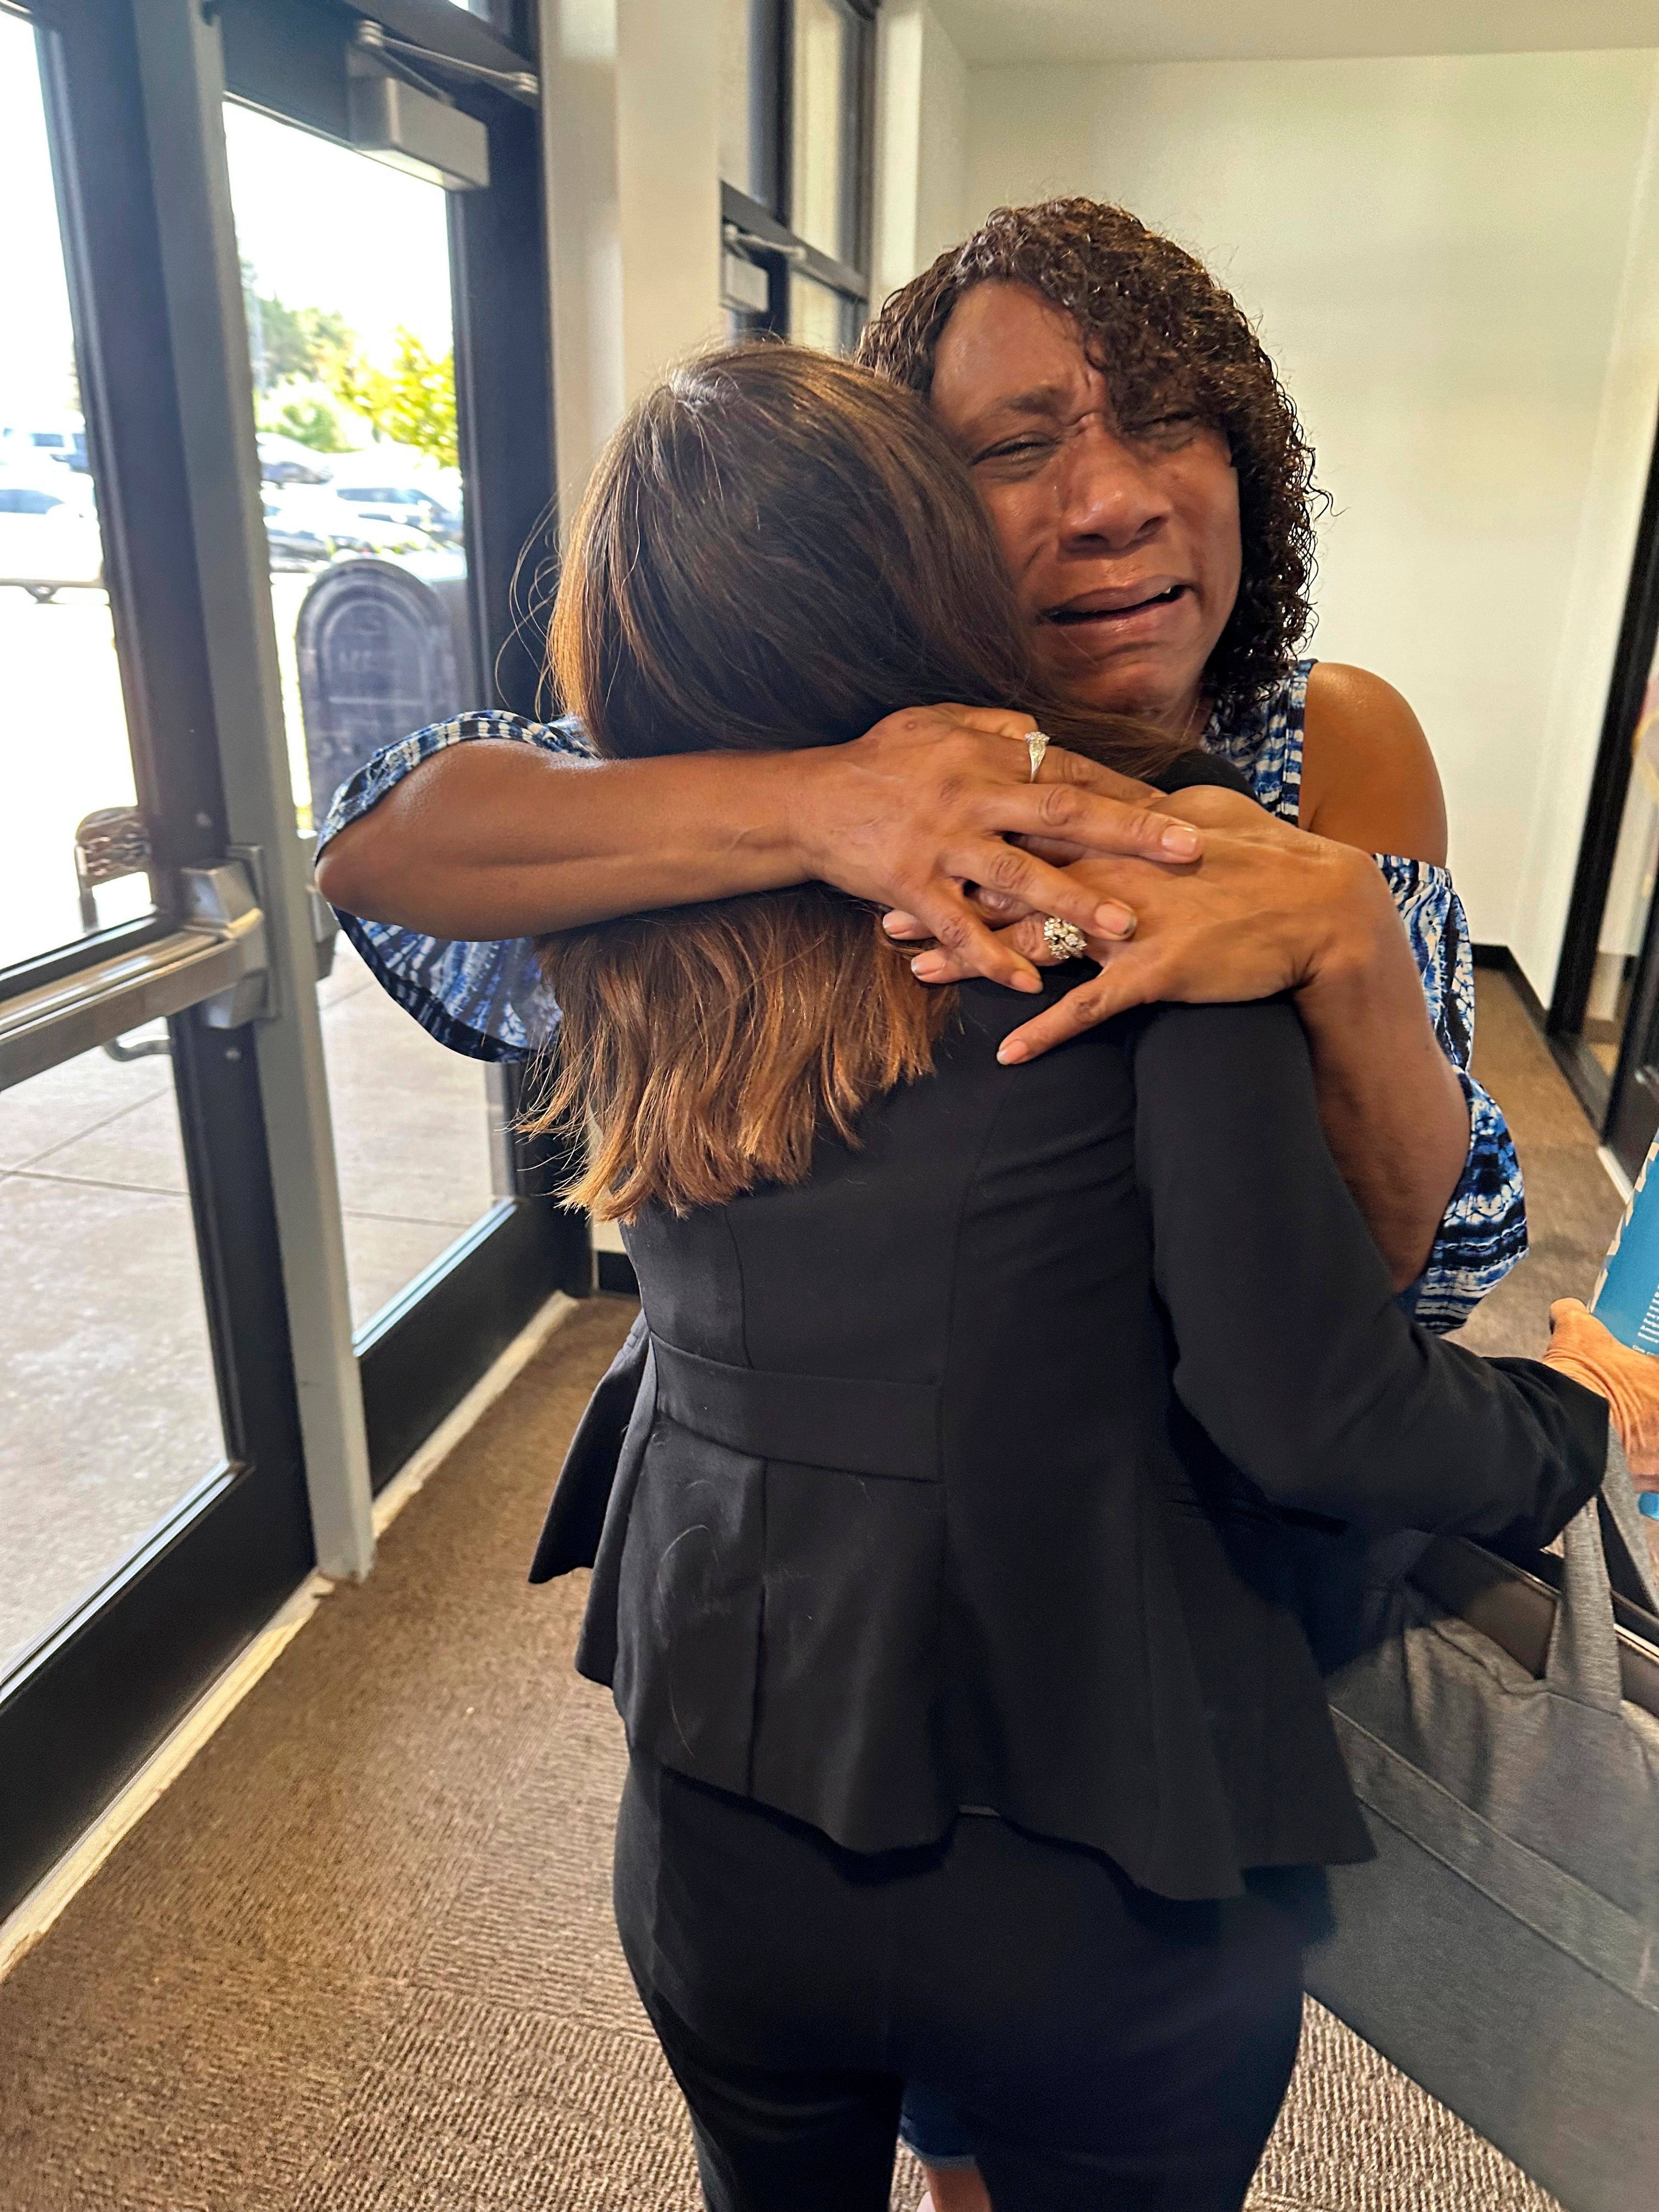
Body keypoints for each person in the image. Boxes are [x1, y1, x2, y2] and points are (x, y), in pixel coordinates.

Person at [517, 340, 1631, 2212]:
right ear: (934, 568)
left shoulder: (615, 908)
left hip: (715, 1837)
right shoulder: (1127, 870)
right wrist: (1564, 1426)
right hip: (1093, 1864)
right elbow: (1311, 1404)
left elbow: (384, 829)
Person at [314, 198, 1521, 1335]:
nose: (1107, 500)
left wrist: (1354, 948)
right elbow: (382, 845)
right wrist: (814, 805)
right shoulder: (843, 738)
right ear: (908, 512)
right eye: (1014, 446)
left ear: (1243, 466)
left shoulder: (1327, 741)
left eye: (1163, 422)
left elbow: (1426, 1283)